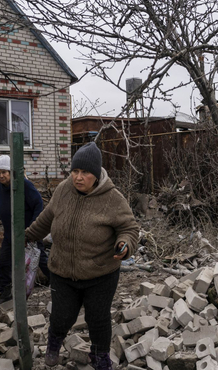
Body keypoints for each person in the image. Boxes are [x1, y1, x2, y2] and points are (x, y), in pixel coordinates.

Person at [25, 142, 139, 370]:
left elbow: (129, 228)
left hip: (100, 273)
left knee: (98, 319)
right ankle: (54, 344)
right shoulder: (63, 190)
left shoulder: (112, 198)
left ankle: (100, 357)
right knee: (60, 317)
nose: (78, 177)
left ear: (95, 175)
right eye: (75, 171)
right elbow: (46, 220)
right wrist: (24, 237)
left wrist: (124, 245)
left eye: (85, 172)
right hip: (62, 271)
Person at [0, 155, 49, 306]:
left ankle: (59, 286)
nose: (1, 176)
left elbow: (39, 205)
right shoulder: (0, 188)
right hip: (9, 234)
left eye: (4, 172)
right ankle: (5, 293)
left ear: (11, 172)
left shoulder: (24, 185)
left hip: (28, 233)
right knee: (4, 261)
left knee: (41, 261)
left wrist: (33, 229)